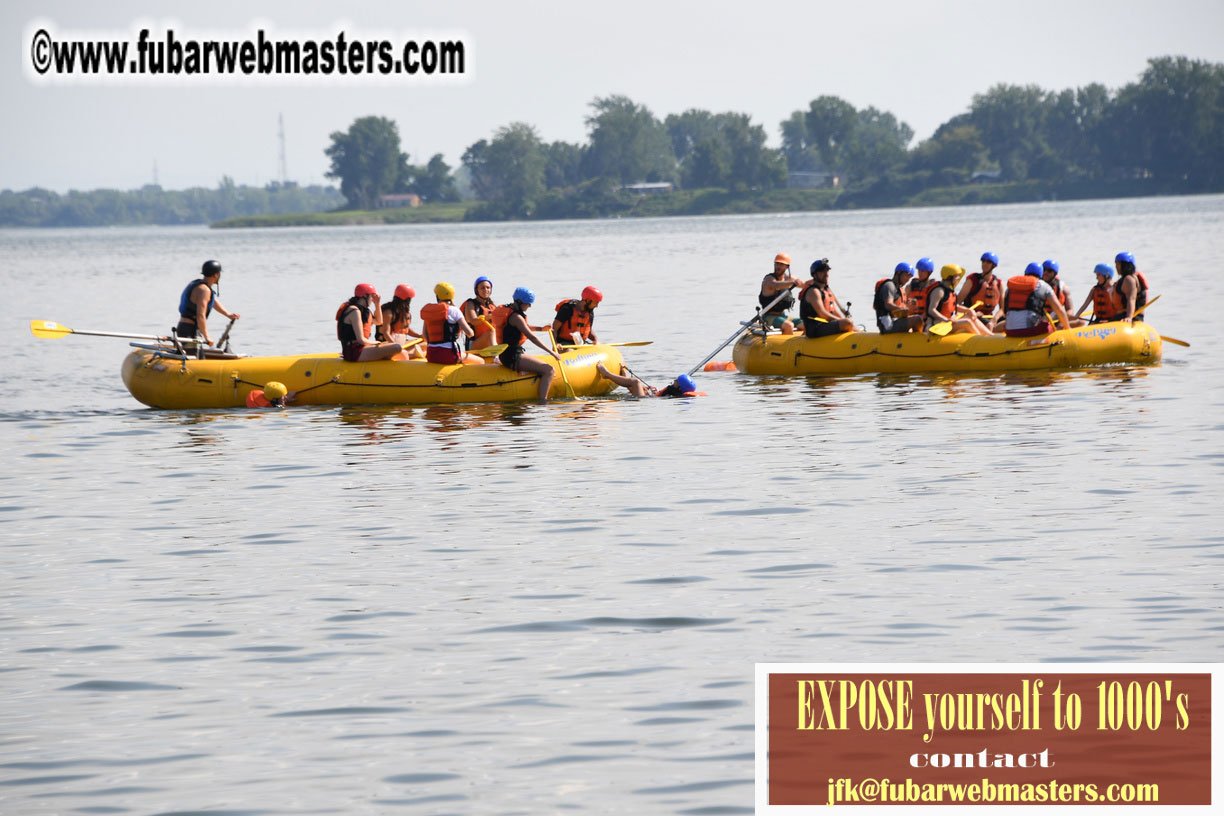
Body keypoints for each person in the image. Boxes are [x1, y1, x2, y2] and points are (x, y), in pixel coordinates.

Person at [498, 287, 562, 401]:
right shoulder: (516, 317)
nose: (529, 306)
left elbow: (524, 327)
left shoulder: (513, 313)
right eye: (528, 303)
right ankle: (543, 401)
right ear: (519, 302)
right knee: (549, 370)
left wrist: (541, 329)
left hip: (508, 354)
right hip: (512, 356)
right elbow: (532, 337)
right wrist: (552, 352)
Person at [176, 260, 240, 345]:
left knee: (195, 353)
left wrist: (228, 315)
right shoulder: (204, 290)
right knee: (194, 354)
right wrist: (207, 336)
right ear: (216, 275)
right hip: (189, 330)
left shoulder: (199, 285)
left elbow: (213, 302)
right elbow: (200, 315)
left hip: (184, 327)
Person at [1001, 262, 1071, 338]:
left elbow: (1005, 312)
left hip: (1010, 332)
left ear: (1025, 273)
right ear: (1040, 274)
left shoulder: (1010, 288)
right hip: (1030, 331)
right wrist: (1068, 330)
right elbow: (1059, 310)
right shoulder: (1043, 285)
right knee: (1055, 313)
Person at [337, 284, 402, 362]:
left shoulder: (364, 311)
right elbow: (361, 340)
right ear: (365, 296)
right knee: (396, 347)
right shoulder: (354, 311)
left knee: (394, 347)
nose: (372, 299)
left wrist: (377, 304)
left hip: (362, 348)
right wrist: (375, 343)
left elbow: (379, 322)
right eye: (372, 296)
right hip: (354, 352)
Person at [421, 282, 476, 364]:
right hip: (449, 355)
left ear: (437, 296)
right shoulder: (455, 310)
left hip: (431, 355)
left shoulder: (430, 311)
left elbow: (425, 336)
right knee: (480, 361)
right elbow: (470, 334)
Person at [799, 259, 856, 337]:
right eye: (822, 271)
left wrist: (847, 324)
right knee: (847, 323)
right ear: (814, 275)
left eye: (827, 271)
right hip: (814, 328)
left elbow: (834, 312)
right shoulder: (813, 292)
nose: (826, 274)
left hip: (825, 324)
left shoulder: (826, 291)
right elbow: (822, 314)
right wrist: (843, 321)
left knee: (851, 325)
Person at [927, 265, 990, 335]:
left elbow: (953, 306)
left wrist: (969, 310)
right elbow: (931, 310)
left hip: (949, 322)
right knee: (967, 322)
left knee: (971, 317)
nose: (959, 278)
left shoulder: (949, 290)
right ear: (950, 277)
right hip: (937, 324)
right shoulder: (939, 291)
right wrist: (946, 319)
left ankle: (990, 336)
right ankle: (979, 338)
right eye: (956, 276)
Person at [594, 362, 702, 397]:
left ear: (680, 387)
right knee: (636, 386)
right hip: (647, 398)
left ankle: (606, 374)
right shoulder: (674, 391)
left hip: (643, 401)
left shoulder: (675, 395)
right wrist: (654, 392)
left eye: (677, 381)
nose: (674, 381)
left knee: (635, 382)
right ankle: (623, 376)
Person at [958, 251, 1004, 330]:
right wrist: (971, 312)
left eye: (988, 262)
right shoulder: (972, 280)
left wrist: (994, 320)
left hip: (990, 318)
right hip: (973, 316)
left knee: (1006, 321)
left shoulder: (999, 283)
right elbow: (957, 303)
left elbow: (1002, 309)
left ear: (994, 265)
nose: (984, 264)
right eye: (983, 261)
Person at [759, 252, 804, 332]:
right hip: (768, 317)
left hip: (782, 316)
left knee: (805, 323)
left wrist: (816, 283)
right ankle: (787, 337)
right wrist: (792, 283)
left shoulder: (789, 278)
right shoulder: (769, 279)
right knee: (789, 325)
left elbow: (804, 284)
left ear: (787, 266)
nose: (778, 266)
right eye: (777, 264)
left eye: (781, 264)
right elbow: (776, 285)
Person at [377, 284, 425, 358]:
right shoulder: (388, 312)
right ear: (407, 299)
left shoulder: (403, 311)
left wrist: (419, 336)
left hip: (401, 344)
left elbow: (405, 329)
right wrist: (395, 346)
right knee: (404, 353)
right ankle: (412, 355)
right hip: (387, 345)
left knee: (425, 343)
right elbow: (386, 333)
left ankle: (412, 354)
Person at [874, 262, 923, 334]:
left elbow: (899, 309)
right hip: (887, 325)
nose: (908, 279)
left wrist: (909, 306)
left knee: (919, 318)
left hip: (896, 321)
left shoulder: (899, 289)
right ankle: (918, 339)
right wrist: (902, 309)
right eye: (907, 276)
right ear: (899, 272)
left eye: (909, 278)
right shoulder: (889, 285)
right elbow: (888, 304)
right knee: (917, 319)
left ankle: (915, 336)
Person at [1041, 260, 1085, 328]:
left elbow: (1070, 310)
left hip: (1056, 317)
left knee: (1081, 322)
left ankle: (1059, 327)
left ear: (1055, 273)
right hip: (1041, 317)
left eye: (1049, 271)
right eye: (1044, 270)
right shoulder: (1037, 285)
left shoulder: (1062, 287)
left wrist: (1062, 319)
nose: (1045, 272)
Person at [1114, 251, 1152, 323]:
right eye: (1116, 264)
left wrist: (1129, 317)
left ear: (1125, 265)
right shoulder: (1127, 279)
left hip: (1130, 318)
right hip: (1121, 317)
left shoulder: (1129, 280)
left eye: (1118, 264)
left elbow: (1131, 299)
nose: (1116, 267)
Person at [462, 276, 498, 351]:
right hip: (473, 344)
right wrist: (489, 316)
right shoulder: (470, 303)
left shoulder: (492, 306)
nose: (486, 290)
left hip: (488, 343)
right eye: (482, 288)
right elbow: (473, 321)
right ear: (476, 290)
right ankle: (496, 354)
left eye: (488, 288)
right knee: (491, 332)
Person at [904, 257, 939, 322]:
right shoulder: (910, 286)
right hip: (911, 318)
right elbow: (903, 303)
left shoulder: (934, 288)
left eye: (922, 271)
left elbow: (933, 308)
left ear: (929, 272)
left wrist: (920, 319)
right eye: (919, 270)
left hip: (927, 320)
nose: (920, 273)